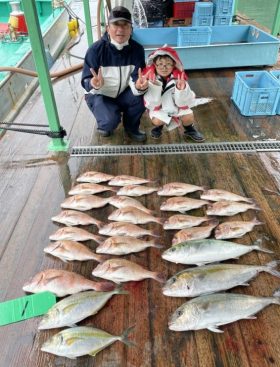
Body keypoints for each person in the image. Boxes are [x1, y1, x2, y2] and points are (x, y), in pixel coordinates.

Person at [81, 6, 148, 142]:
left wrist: (140, 86)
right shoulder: (95, 50)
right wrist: (93, 84)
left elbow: (137, 76)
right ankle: (106, 121)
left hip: (124, 92)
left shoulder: (137, 49)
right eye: (116, 24)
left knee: (142, 98)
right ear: (108, 28)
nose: (120, 29)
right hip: (101, 94)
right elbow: (86, 79)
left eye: (125, 25)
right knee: (109, 122)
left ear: (131, 29)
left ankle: (131, 127)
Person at [143, 46, 205, 141]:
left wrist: (181, 90)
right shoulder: (149, 79)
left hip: (177, 106)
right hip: (159, 107)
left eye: (168, 64)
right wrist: (154, 87)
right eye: (160, 64)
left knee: (188, 117)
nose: (164, 67)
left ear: (174, 65)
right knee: (157, 121)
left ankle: (190, 129)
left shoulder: (180, 79)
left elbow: (184, 103)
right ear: (154, 65)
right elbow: (152, 104)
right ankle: (159, 127)